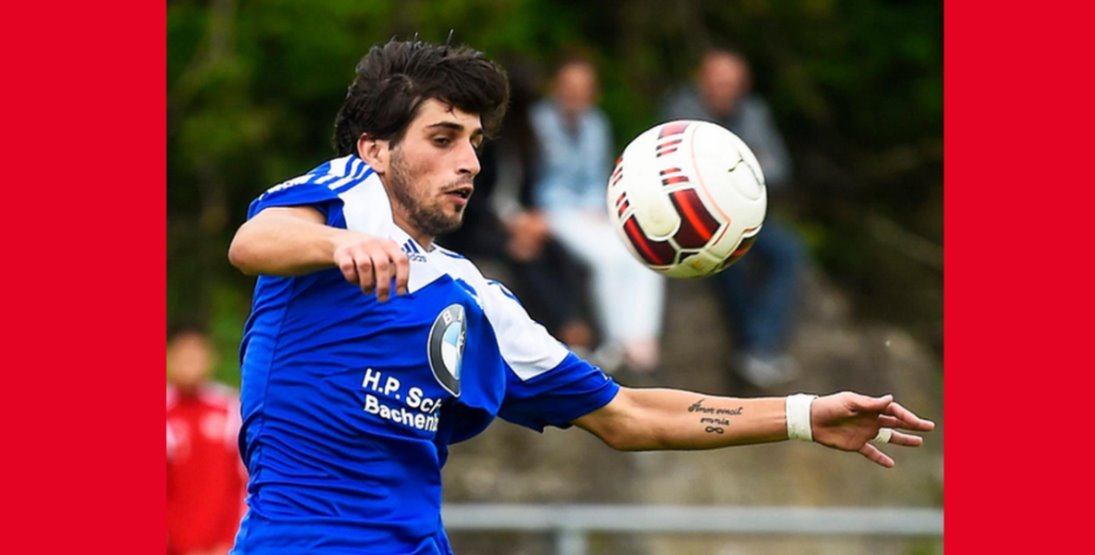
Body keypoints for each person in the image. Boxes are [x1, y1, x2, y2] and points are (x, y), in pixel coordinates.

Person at [226, 39, 934, 555]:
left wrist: (806, 414)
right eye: (443, 138)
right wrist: (337, 245)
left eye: (475, 141)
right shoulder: (343, 204)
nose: (470, 160)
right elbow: (255, 240)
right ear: (375, 149)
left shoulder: (477, 301)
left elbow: (627, 414)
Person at [662, 48, 806, 388]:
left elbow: (779, 167)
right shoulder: (680, 110)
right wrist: (742, 166)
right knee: (731, 261)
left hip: (747, 217)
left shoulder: (754, 112)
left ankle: (758, 346)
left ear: (742, 85)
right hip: (694, 221)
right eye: (717, 80)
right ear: (702, 80)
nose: (723, 88)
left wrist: (727, 170)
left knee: (789, 252)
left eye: (731, 82)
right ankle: (757, 348)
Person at [438, 60, 595, 352]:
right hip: (475, 227)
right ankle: (560, 333)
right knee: (526, 256)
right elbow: (474, 200)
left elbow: (524, 193)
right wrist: (512, 226)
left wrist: (531, 219)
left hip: (511, 221)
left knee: (562, 254)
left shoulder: (525, 142)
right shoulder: (483, 143)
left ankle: (577, 327)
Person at [530, 56, 666, 374]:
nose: (575, 94)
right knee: (605, 259)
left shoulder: (596, 123)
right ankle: (618, 339)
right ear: (556, 88)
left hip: (593, 210)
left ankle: (643, 337)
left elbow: (598, 175)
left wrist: (601, 208)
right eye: (569, 87)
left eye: (582, 88)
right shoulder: (537, 122)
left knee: (642, 252)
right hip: (553, 211)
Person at [166, 320, 246, 555]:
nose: (190, 361)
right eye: (183, 354)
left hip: (224, 547)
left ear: (211, 358)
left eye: (197, 353)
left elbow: (243, 481)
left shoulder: (231, 408)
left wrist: (231, 541)